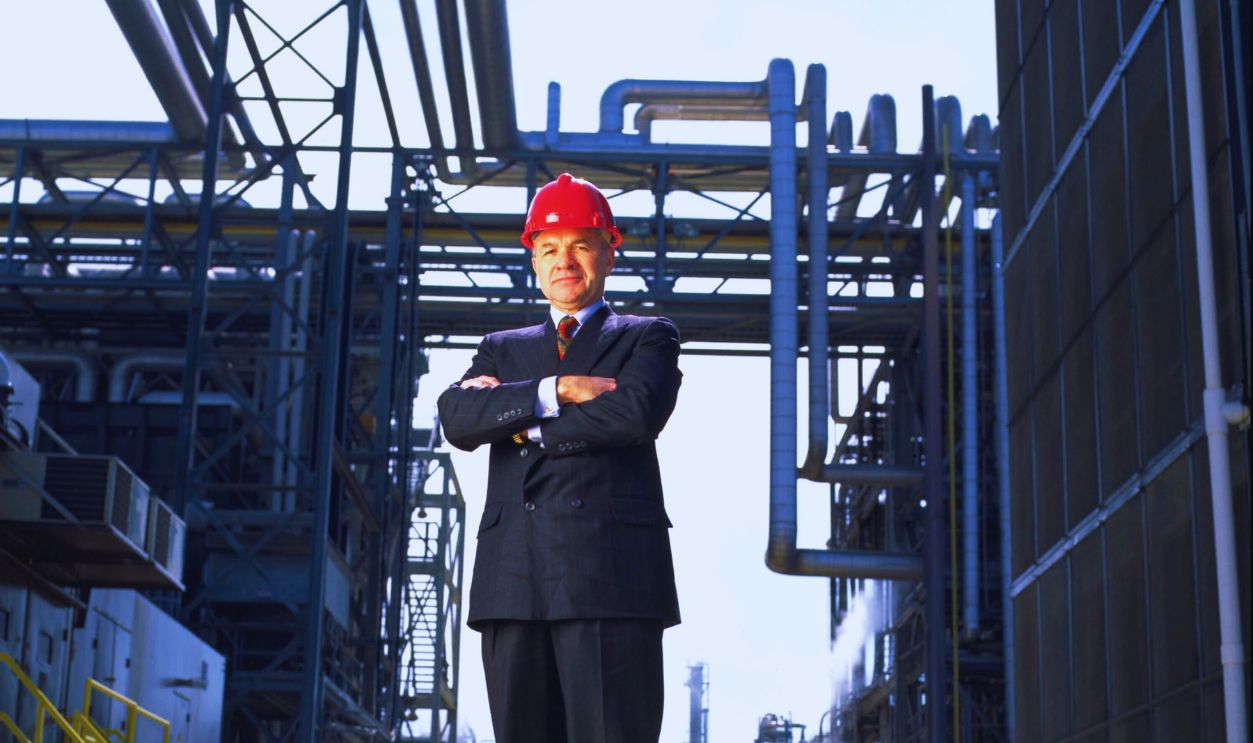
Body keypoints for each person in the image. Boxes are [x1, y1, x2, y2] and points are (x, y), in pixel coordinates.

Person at [437, 173, 683, 743]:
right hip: (512, 579)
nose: (563, 261)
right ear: (534, 261)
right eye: (548, 248)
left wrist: (524, 426)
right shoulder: (502, 347)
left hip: (611, 577)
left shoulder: (647, 337)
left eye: (579, 245)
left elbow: (634, 416)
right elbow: (458, 419)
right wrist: (558, 390)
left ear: (608, 251)